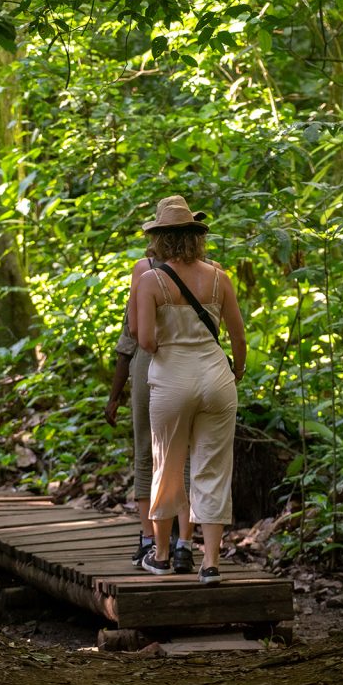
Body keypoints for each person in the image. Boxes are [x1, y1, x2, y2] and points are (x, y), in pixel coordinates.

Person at [133, 196, 246, 585]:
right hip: (217, 378)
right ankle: (211, 563)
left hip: (172, 379)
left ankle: (161, 554)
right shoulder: (219, 278)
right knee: (213, 468)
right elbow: (237, 337)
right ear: (197, 238)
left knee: (168, 465)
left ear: (161, 239)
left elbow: (145, 340)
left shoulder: (151, 280)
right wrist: (238, 372)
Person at [106, 241, 194, 573]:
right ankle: (175, 542)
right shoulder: (206, 273)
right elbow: (128, 341)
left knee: (151, 453)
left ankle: (154, 541)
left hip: (154, 365)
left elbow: (129, 338)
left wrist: (114, 397)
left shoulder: (144, 272)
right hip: (184, 367)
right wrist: (115, 396)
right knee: (175, 454)